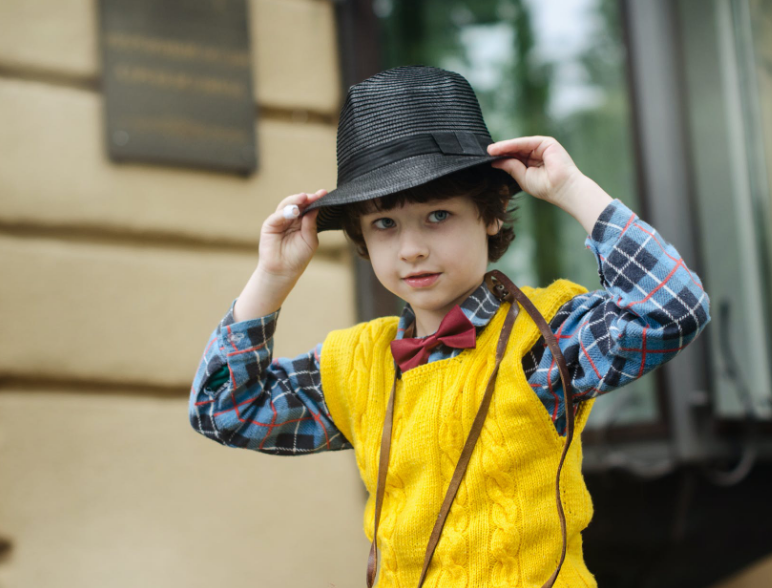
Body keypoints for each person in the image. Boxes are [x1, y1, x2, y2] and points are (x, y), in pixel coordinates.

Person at [188, 66, 711, 587]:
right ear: (362, 240)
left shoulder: (543, 338)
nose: (412, 248)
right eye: (384, 224)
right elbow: (224, 408)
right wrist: (273, 276)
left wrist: (573, 189)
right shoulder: (357, 365)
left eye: (437, 215)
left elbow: (672, 308)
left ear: (490, 213)